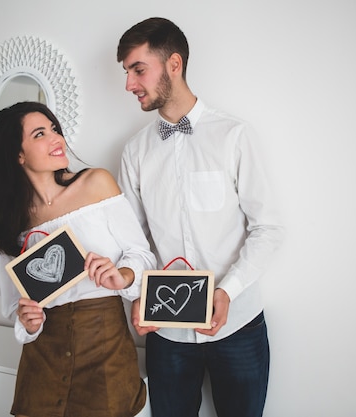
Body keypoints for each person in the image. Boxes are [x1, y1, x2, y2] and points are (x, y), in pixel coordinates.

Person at [116, 18, 285, 417]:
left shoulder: (235, 136)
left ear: (173, 64)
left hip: (238, 327)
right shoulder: (134, 152)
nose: (129, 84)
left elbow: (268, 228)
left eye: (138, 69)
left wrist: (228, 290)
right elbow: (132, 242)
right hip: (166, 335)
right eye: (126, 72)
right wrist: (135, 296)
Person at [0, 101, 156, 417]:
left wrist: (122, 275)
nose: (57, 139)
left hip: (106, 346)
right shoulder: (7, 223)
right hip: (43, 358)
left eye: (55, 129)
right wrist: (28, 322)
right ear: (18, 154)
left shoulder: (96, 183)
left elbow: (142, 255)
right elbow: (15, 304)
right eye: (41, 133)